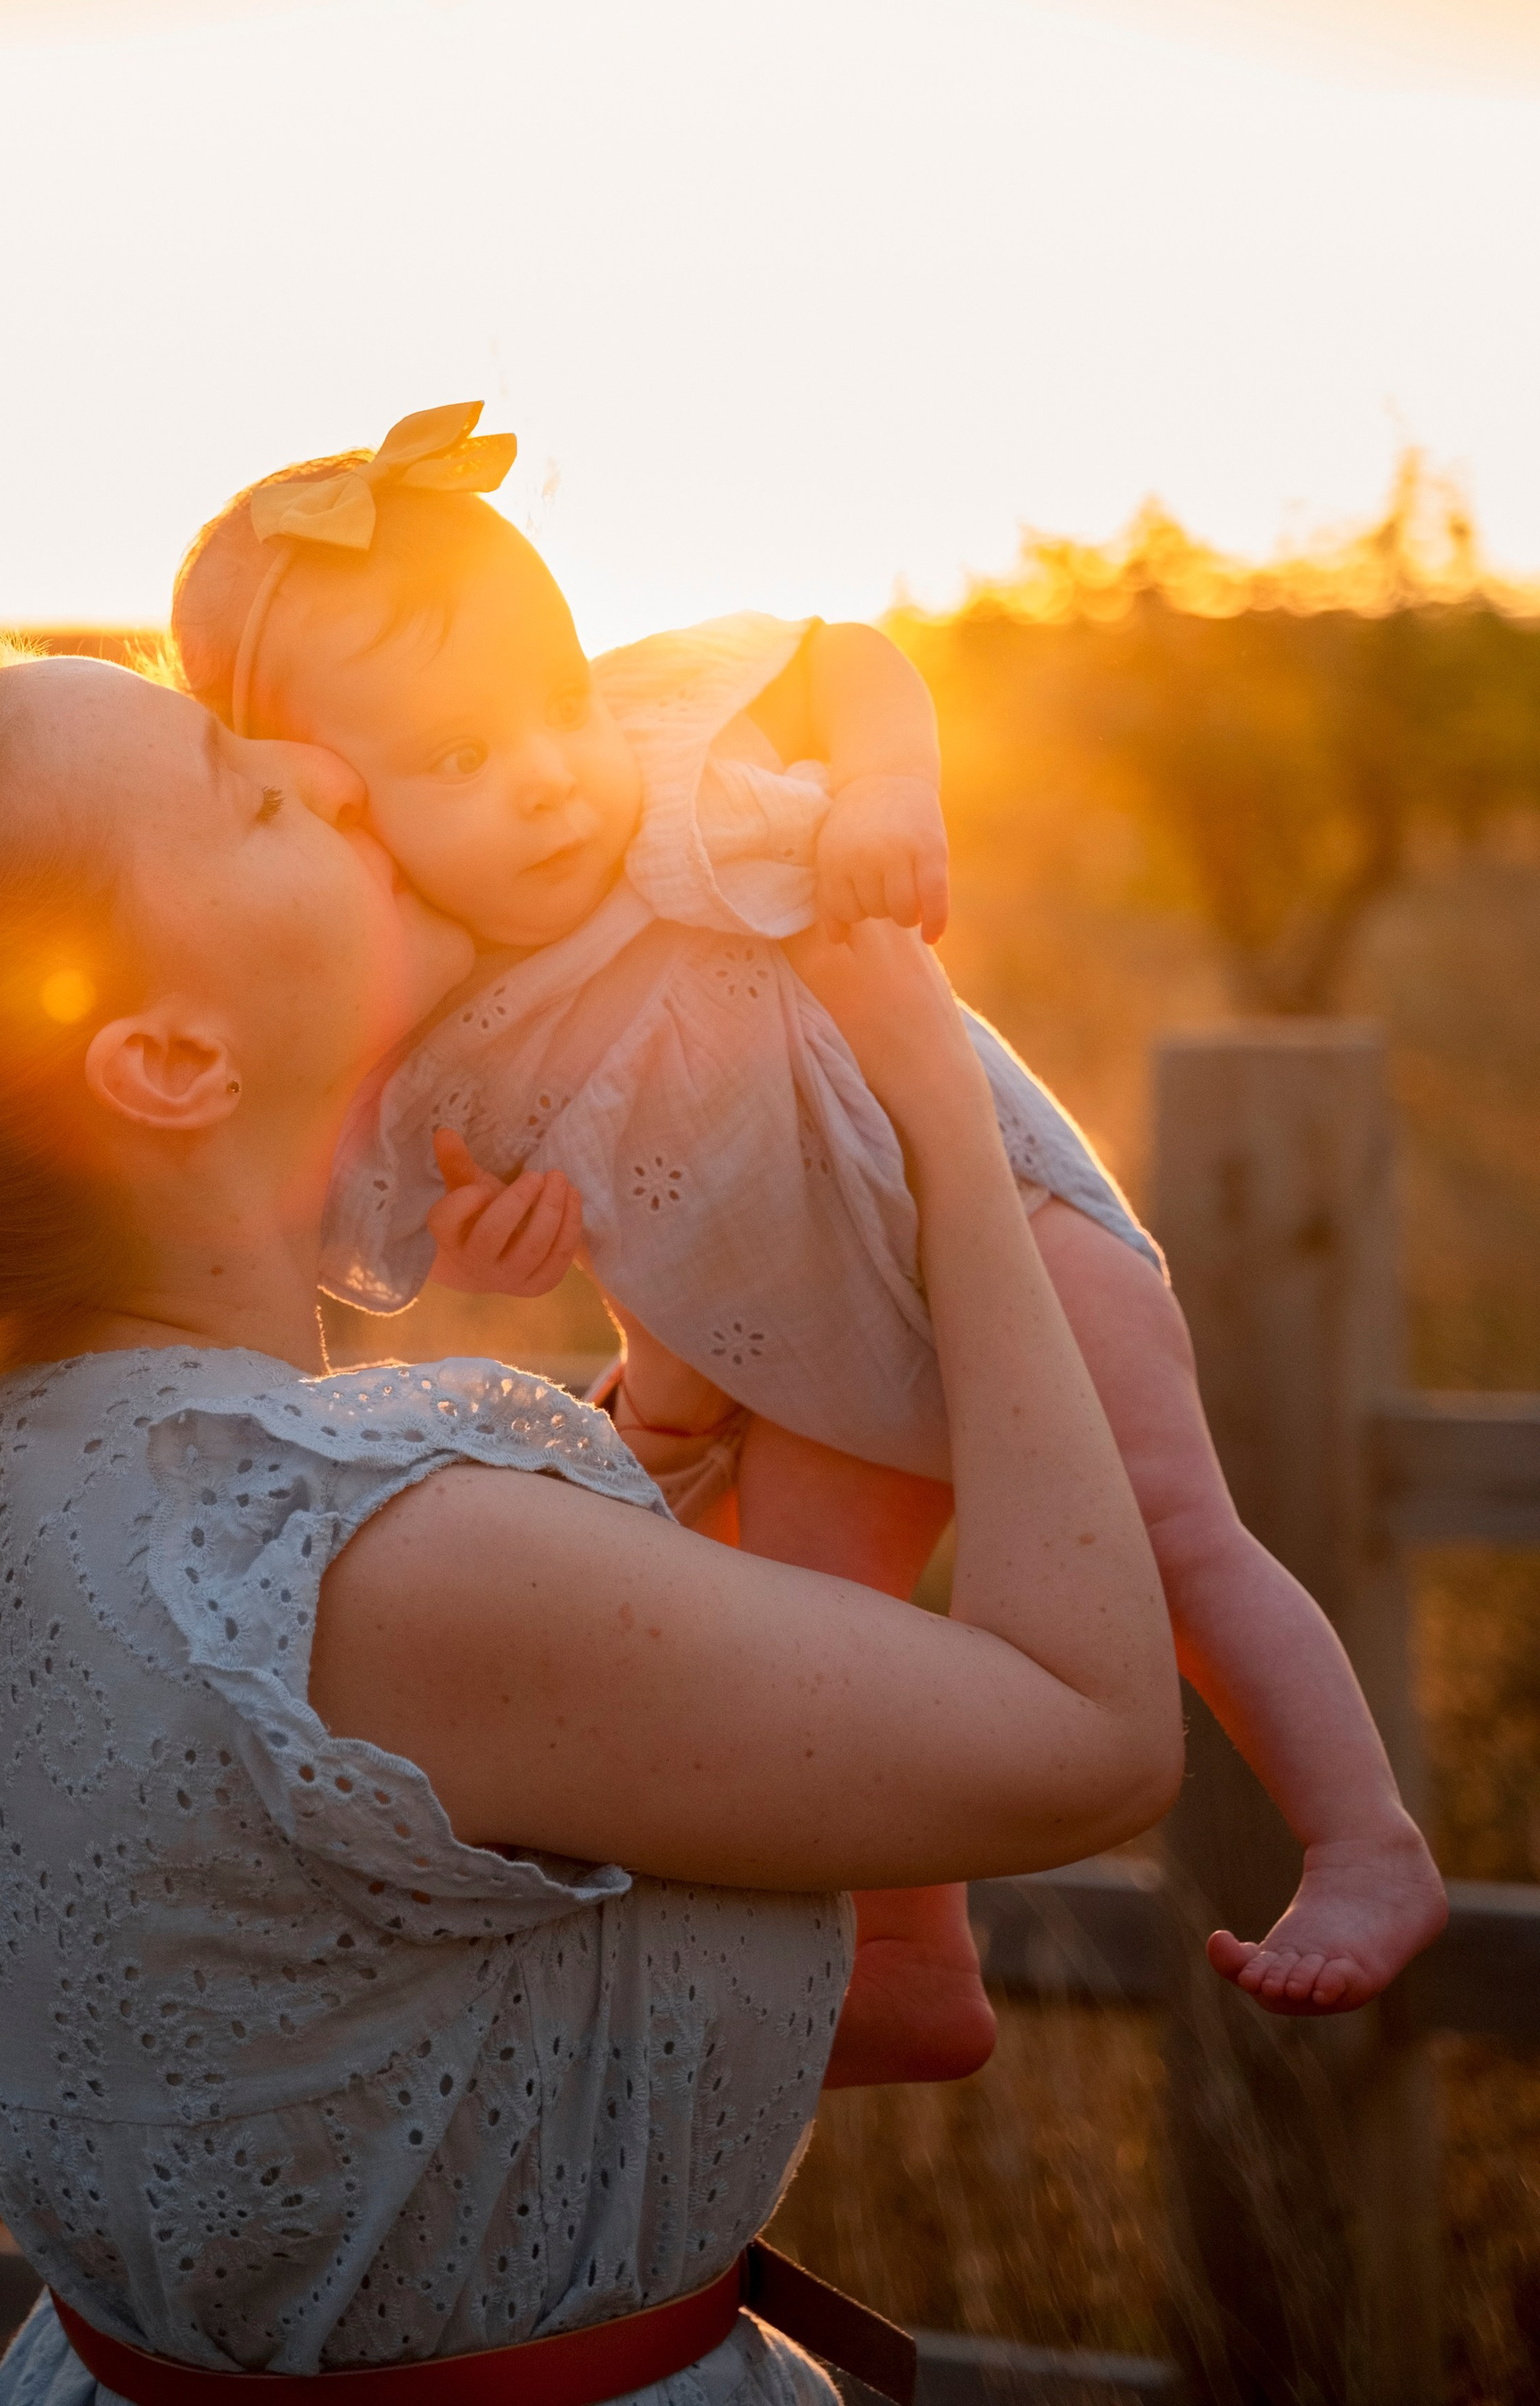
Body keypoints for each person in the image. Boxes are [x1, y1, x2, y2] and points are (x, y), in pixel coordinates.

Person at [0, 629, 1178, 2404]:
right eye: (254, 793)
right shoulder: (365, 1560)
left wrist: (654, 1430)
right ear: (169, 1062)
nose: (334, 770)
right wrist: (935, 1120)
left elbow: (361, 1979)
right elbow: (1089, 1735)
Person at [169, 405, 1446, 2080]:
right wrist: (486, 1244)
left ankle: (1364, 1840)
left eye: (550, 703)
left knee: (1169, 1531)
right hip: (800, 1366)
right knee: (831, 1663)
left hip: (995, 1221)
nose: (549, 772)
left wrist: (886, 792)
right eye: (459, 763)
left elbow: (848, 659)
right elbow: (351, 1216)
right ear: (344, 801)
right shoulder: (429, 1016)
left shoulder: (678, 783)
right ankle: (916, 1955)